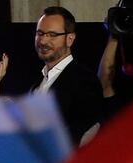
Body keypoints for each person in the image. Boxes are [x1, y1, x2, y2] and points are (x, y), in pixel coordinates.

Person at [32, 6, 103, 145]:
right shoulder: (39, 82)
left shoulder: (85, 81)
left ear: (70, 38)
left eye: (52, 35)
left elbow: (83, 134)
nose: (43, 41)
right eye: (40, 33)